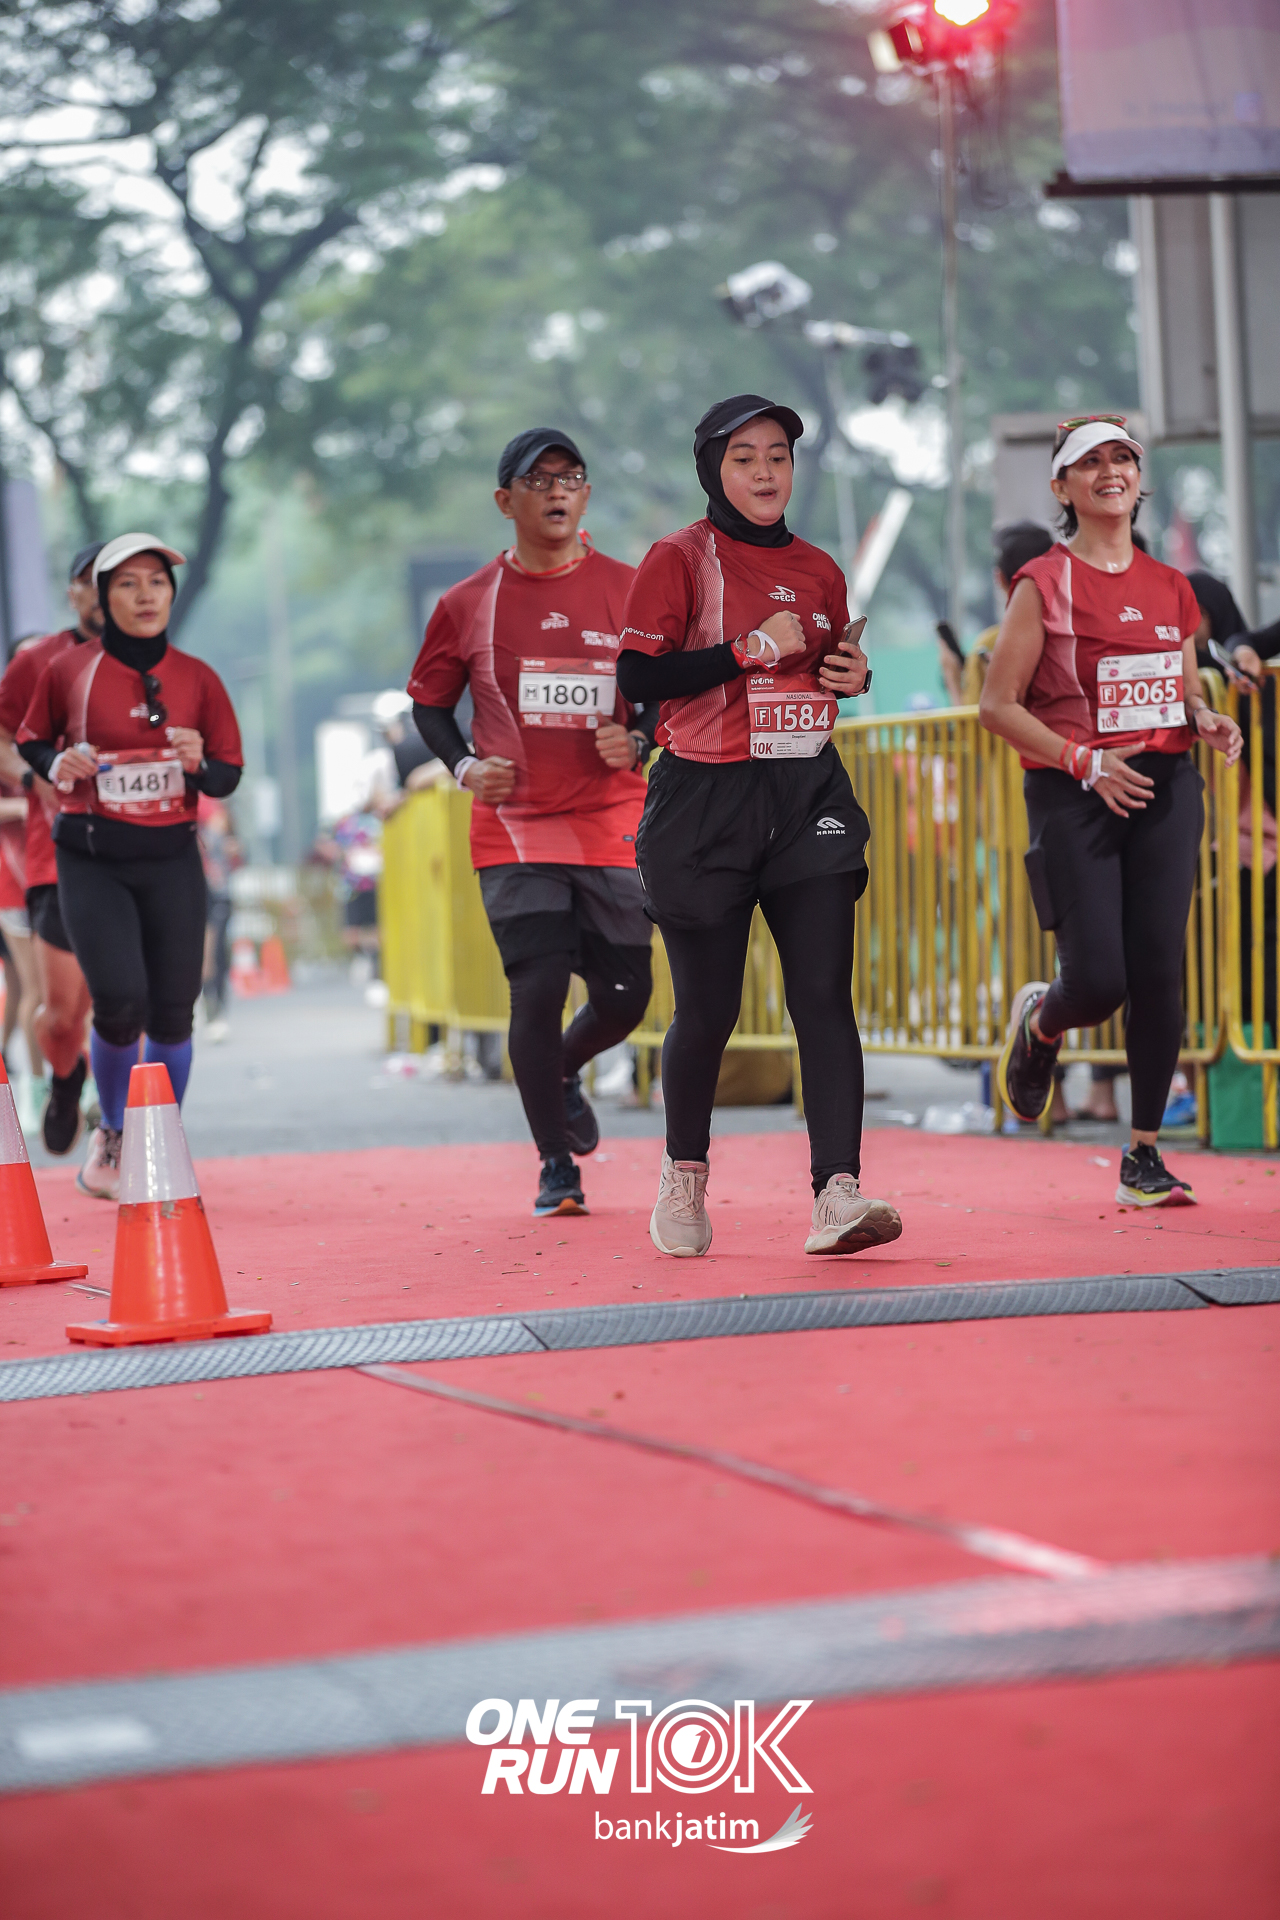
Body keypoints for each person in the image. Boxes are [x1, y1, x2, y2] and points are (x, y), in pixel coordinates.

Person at [615, 393, 901, 1258]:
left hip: (806, 793)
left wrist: (851, 675)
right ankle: (684, 1173)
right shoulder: (678, 559)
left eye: (778, 455)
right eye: (744, 458)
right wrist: (748, 650)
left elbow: (826, 670)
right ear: (713, 469)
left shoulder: (819, 569)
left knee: (823, 994)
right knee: (710, 1009)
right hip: (704, 800)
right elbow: (638, 678)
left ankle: (837, 1193)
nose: (766, 472)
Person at [980, 415, 1241, 1206]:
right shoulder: (1043, 583)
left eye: (1122, 457)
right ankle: (1042, 1022)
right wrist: (1084, 761)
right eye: (1089, 462)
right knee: (1098, 983)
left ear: (1139, 477)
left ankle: (1144, 1156)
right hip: (1075, 788)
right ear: (1062, 487)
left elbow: (1181, 686)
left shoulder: (1171, 586)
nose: (1110, 471)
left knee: (1160, 969)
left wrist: (1204, 716)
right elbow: (998, 705)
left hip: (1165, 786)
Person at [407, 428, 659, 1217]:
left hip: (611, 814)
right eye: (539, 479)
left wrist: (639, 738)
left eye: (571, 477)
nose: (557, 491)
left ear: (586, 495)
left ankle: (561, 1069)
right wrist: (463, 767)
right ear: (505, 500)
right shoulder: (467, 604)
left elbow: (663, 691)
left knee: (626, 995)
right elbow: (429, 704)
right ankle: (556, 1164)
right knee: (537, 987)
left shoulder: (631, 589)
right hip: (514, 825)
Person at [16, 532, 243, 1198]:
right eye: (128, 584)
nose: (146, 596)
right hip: (92, 859)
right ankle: (113, 1135)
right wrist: (58, 763)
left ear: (171, 595)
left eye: (157, 583)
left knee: (174, 1011)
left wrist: (198, 762)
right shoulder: (66, 670)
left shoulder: (198, 677)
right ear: (102, 597)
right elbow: (29, 738)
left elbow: (228, 774)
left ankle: (160, 1137)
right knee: (118, 1003)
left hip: (171, 858)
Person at [0, 545, 104, 1154]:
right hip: (41, 866)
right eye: (99, 581)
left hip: (134, 855)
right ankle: (55, 1082)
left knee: (121, 1000)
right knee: (51, 1004)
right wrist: (31, 777)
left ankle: (112, 1117)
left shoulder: (165, 667)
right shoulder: (38, 666)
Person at [938, 522, 1054, 706]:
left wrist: (952, 679)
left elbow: (975, 720)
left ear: (999, 578)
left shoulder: (992, 644)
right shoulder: (1075, 631)